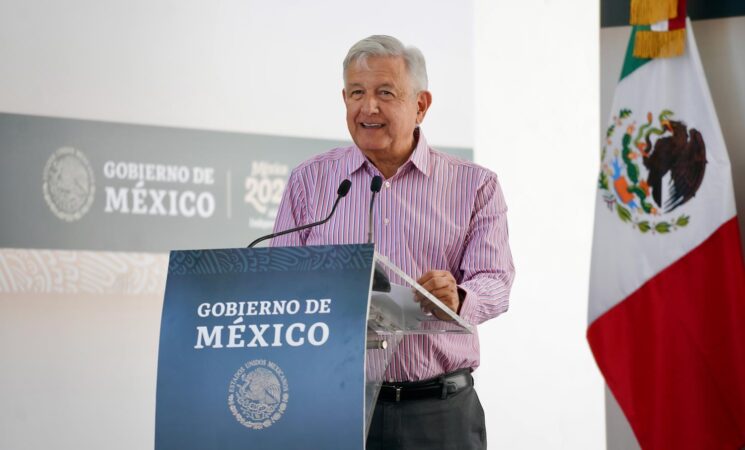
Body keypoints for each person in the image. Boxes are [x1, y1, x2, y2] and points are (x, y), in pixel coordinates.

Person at [271, 35, 514, 450]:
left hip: (438, 412)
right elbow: (278, 283)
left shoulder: (475, 185)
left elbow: (496, 281)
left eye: (385, 93)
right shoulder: (310, 181)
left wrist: (457, 295)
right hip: (334, 407)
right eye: (356, 93)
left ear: (421, 105)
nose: (368, 107)